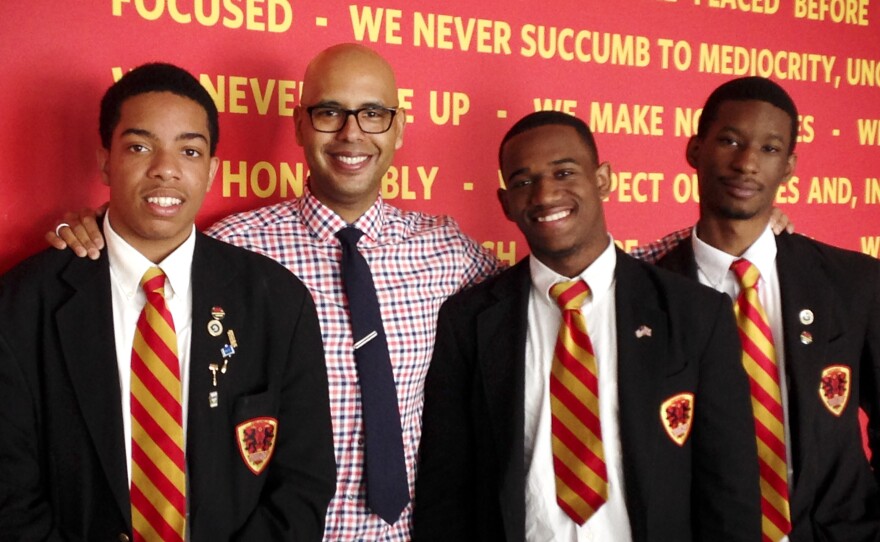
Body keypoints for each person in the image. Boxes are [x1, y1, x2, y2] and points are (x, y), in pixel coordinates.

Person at [47, 44, 502, 539]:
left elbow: (530, 300)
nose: (352, 133)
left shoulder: (448, 252)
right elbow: (149, 248)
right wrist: (94, 229)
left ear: (398, 128)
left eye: (373, 114)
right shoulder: (235, 249)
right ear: (299, 124)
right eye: (329, 112)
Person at [0, 63, 336, 540]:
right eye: (140, 147)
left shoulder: (277, 301)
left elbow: (303, 482)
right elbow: (11, 497)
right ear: (104, 161)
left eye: (190, 150)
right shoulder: (22, 304)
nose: (166, 168)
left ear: (212, 169)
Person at [413, 110, 761, 541]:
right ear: (506, 204)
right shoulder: (469, 321)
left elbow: (731, 487)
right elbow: (445, 487)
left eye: (564, 172)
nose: (544, 194)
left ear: (603, 180)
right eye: (523, 181)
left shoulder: (695, 313)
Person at [647, 76, 880, 542]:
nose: (747, 162)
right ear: (695, 150)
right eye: (730, 140)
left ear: (790, 166)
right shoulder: (648, 297)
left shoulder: (855, 283)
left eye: (770, 149)